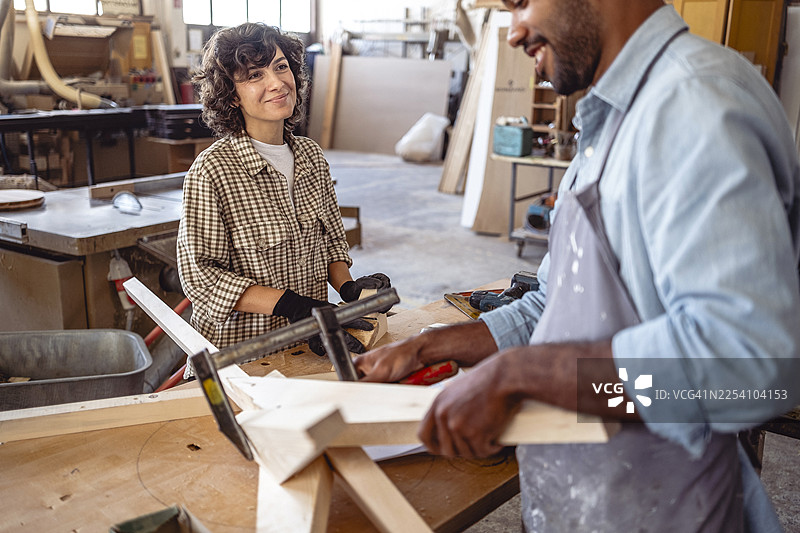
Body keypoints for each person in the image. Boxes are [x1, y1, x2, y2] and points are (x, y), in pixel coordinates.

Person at [354, 1, 800, 531]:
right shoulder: (613, 116)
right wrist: (429, 344)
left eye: (520, 2)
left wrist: (516, 374)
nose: (514, 31)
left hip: (662, 505)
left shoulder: (690, 103)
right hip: (586, 494)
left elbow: (748, 367)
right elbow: (557, 302)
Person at [177, 22, 390, 355]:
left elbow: (332, 240)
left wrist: (347, 287)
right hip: (244, 357)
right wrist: (294, 306)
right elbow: (201, 278)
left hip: (309, 346)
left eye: (280, 67)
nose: (276, 83)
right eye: (254, 76)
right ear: (232, 96)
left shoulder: (310, 156)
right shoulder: (213, 171)